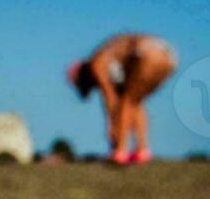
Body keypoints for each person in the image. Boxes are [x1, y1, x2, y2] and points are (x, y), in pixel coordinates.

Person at [67, 34, 177, 164]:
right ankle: (142, 151)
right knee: (135, 101)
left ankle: (120, 152)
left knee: (127, 100)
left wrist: (112, 126)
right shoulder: (110, 59)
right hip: (169, 56)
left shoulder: (96, 64)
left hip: (148, 52)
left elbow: (110, 98)